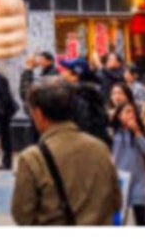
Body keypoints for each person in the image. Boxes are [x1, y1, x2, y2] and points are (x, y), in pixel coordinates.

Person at [11, 77, 120, 226]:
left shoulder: (32, 158)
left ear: (39, 114)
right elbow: (116, 201)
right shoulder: (100, 148)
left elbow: (22, 214)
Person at [110, 96, 145, 226]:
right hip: (120, 179)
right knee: (119, 217)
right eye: (127, 112)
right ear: (119, 116)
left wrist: (137, 132)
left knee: (140, 213)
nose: (131, 115)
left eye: (132, 112)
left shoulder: (139, 132)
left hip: (138, 179)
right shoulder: (114, 133)